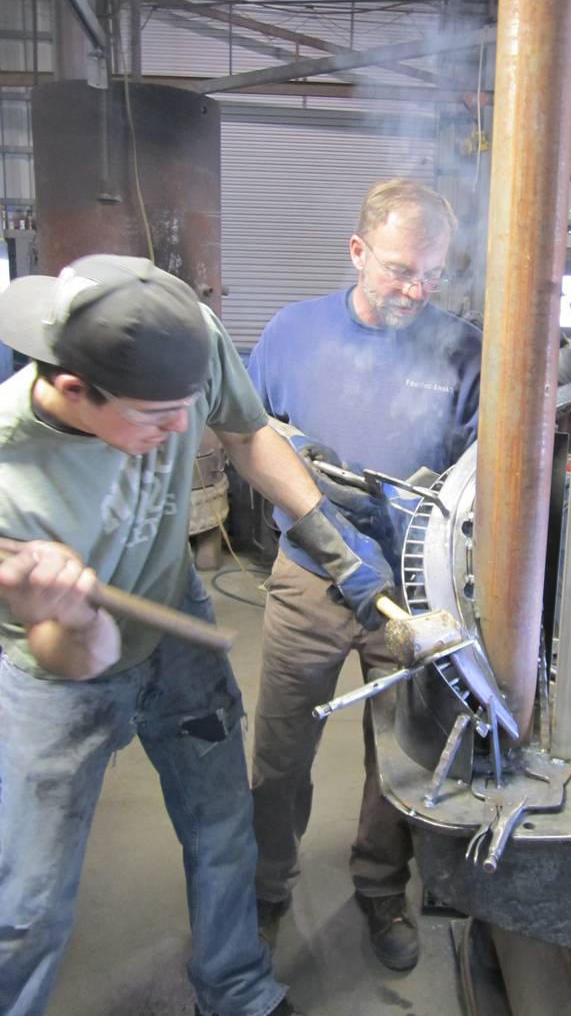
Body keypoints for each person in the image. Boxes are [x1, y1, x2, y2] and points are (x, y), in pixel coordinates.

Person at [0, 254, 394, 1016]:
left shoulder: (184, 336)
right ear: (75, 389)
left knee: (222, 826)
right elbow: (72, 656)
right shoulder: (12, 479)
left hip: (172, 612)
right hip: (60, 670)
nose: (184, 428)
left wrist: (330, 538)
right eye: (156, 416)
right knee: (29, 901)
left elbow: (245, 434)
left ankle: (236, 987)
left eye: (186, 406)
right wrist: (68, 615)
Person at [246, 179, 481, 971]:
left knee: (401, 755)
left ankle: (381, 887)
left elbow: (487, 469)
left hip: (413, 588)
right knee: (281, 753)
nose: (416, 290)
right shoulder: (291, 333)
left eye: (432, 274)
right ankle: (267, 888)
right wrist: (296, 464)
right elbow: (243, 432)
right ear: (357, 251)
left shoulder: (462, 349)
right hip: (308, 582)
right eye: (399, 269)